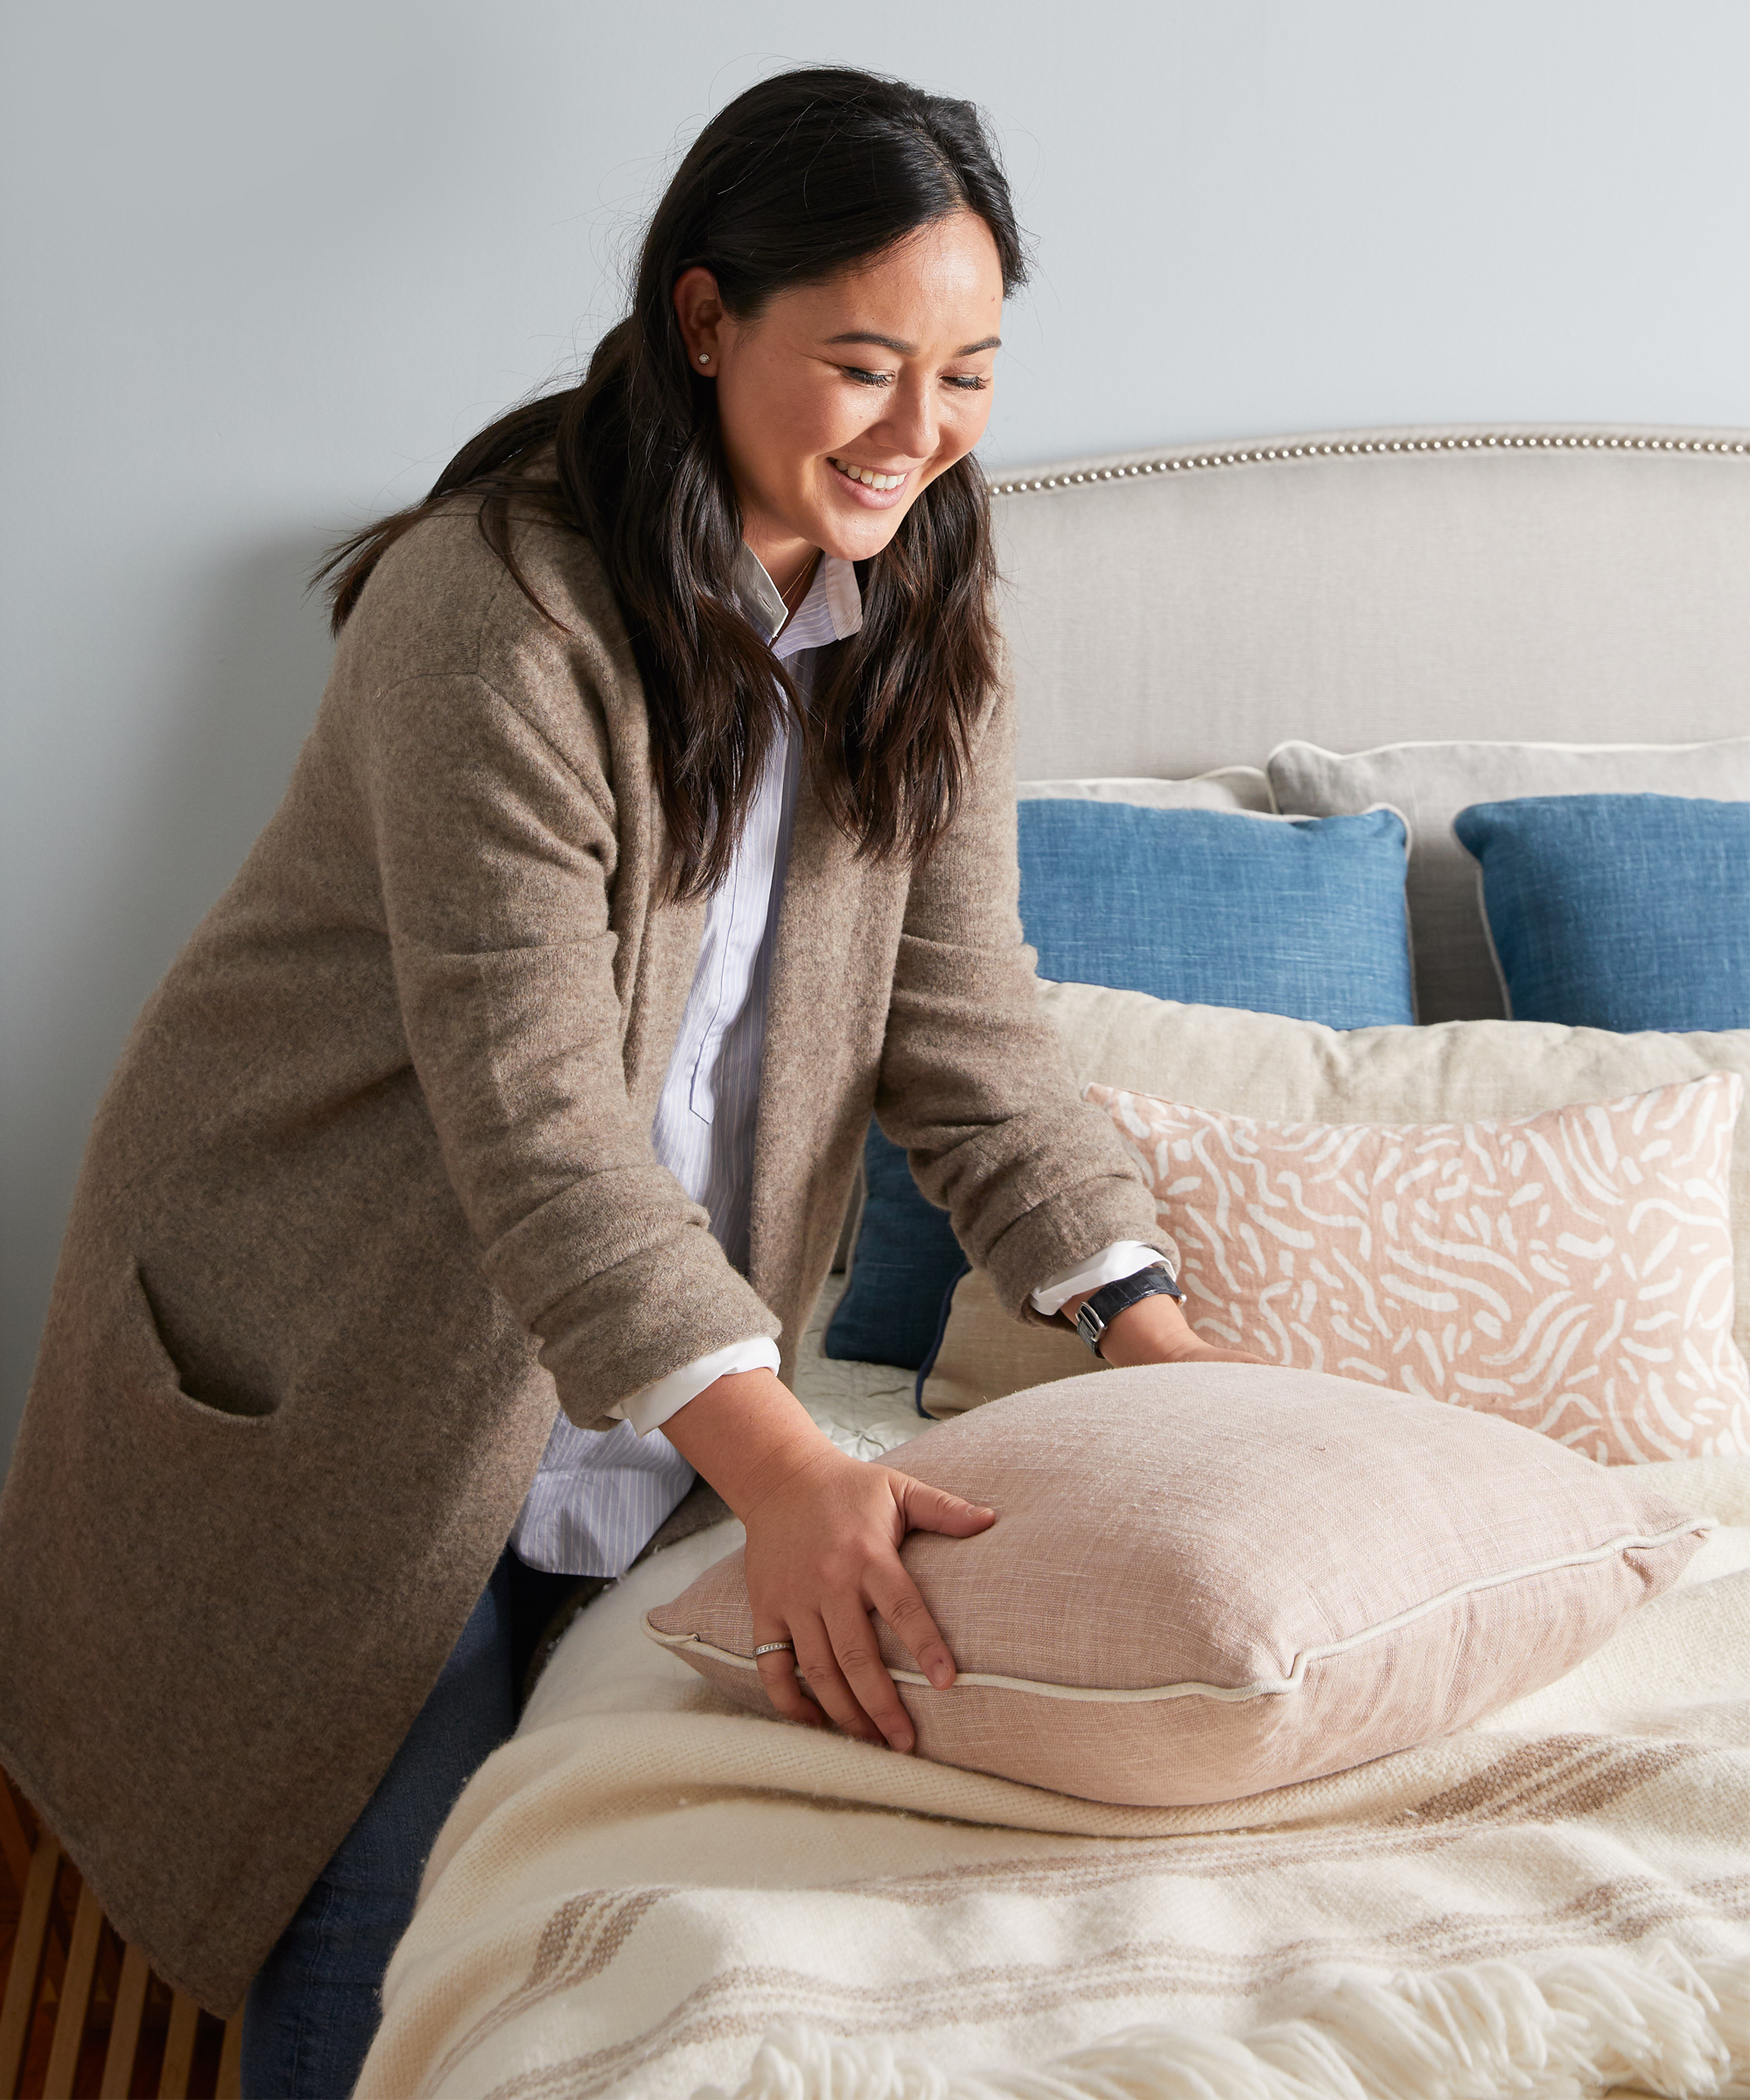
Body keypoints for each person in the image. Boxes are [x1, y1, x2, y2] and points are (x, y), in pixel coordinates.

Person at [0, 66, 1257, 2099]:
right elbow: (539, 1121)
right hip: (337, 1345)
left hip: (659, 1384)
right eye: (863, 365)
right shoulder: (490, 610)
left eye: (967, 374)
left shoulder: (929, 615)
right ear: (702, 319)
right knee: (376, 1908)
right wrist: (791, 1477)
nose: (916, 435)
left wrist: (1148, 1332)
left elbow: (970, 1032)